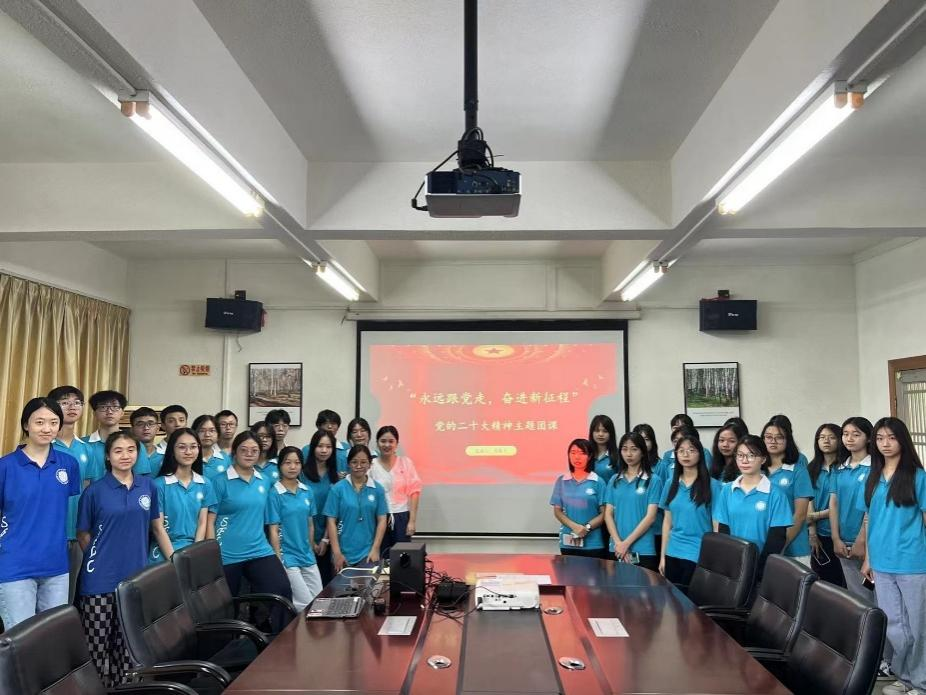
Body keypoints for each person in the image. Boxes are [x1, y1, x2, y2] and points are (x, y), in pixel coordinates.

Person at [76, 432, 172, 687]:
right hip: (99, 579)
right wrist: (100, 559)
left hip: (134, 578)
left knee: (128, 645)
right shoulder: (94, 491)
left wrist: (174, 560)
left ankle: (125, 689)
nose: (125, 455)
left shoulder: (148, 487)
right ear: (108, 456)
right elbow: (83, 534)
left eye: (131, 450)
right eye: (118, 450)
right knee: (97, 644)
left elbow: (156, 527)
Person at [0, 398, 80, 629]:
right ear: (26, 425)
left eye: (53, 422)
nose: (47, 428)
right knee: (20, 638)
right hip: (15, 565)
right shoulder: (5, 466)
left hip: (56, 565)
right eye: (39, 422)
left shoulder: (68, 464)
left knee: (54, 635)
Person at [859, 418, 926, 695]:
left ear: (902, 440)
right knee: (895, 626)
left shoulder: (917, 476)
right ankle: (906, 677)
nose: (885, 444)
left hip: (913, 562)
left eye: (892, 438)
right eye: (880, 438)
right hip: (882, 562)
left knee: (918, 627)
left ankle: (921, 683)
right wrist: (868, 558)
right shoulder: (873, 476)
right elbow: (870, 519)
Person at [208, 431, 292, 633]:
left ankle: (284, 640)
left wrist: (277, 554)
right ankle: (227, 648)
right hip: (226, 554)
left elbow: (271, 520)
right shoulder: (219, 481)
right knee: (224, 608)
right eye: (244, 450)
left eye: (254, 450)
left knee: (281, 590)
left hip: (259, 550)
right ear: (234, 452)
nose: (249, 454)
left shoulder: (264, 481)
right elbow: (210, 521)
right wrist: (212, 555)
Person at [714, 435, 792, 579]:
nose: (744, 460)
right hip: (733, 566)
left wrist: (758, 569)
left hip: (762, 567)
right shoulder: (727, 490)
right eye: (740, 455)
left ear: (763, 459)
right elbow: (724, 530)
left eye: (751, 455)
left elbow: (777, 538)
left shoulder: (776, 494)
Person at [659, 433, 721, 587]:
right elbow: (667, 522)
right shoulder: (670, 483)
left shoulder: (712, 485)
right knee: (672, 598)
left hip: (698, 553)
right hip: (672, 551)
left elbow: (717, 525)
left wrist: (714, 558)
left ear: (700, 454)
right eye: (681, 451)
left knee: (691, 599)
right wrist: (662, 556)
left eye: (691, 450)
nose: (686, 455)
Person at [268, 446, 323, 611]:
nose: (292, 467)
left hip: (306, 555)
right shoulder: (274, 493)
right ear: (280, 465)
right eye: (288, 463)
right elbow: (273, 530)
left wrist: (310, 548)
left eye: (297, 463)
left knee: (319, 600)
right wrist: (278, 559)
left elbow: (310, 524)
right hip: (287, 557)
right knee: (304, 604)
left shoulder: (307, 491)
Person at [150, 428, 215, 563]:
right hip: (164, 554)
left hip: (192, 553)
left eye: (193, 447)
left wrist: (195, 554)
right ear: (172, 450)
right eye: (182, 447)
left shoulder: (205, 484)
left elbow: (202, 523)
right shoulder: (159, 485)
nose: (188, 452)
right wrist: (174, 560)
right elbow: (157, 528)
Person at [323, 445, 388, 573]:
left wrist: (375, 549)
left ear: (370, 464)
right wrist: (337, 553)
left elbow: (382, 520)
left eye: (363, 462)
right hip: (343, 555)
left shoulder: (378, 489)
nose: (359, 466)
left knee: (368, 585)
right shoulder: (337, 489)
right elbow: (331, 521)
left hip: (368, 554)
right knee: (341, 586)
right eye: (354, 462)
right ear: (348, 464)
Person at [829, 416, 874, 601]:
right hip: (844, 540)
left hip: (868, 541)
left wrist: (861, 540)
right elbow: (833, 503)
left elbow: (870, 508)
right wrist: (835, 538)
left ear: (868, 438)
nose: (849, 438)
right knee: (856, 597)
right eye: (845, 434)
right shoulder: (838, 468)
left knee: (877, 596)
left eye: (856, 434)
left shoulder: (875, 467)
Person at [604, 432, 662, 571]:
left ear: (642, 452)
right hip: (616, 548)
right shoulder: (614, 480)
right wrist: (618, 542)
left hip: (643, 549)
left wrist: (626, 543)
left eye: (634, 449)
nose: (629, 454)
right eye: (624, 449)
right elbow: (608, 514)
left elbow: (651, 517)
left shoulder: (653, 480)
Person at [761, 417, 814, 565]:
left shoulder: (798, 470)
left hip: (794, 548)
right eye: (768, 437)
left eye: (779, 437)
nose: (773, 441)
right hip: (760, 544)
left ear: (787, 440)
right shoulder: (756, 470)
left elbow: (800, 515)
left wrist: (779, 545)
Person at [47, 385, 93, 540]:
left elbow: (87, 488)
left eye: (77, 402)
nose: (72, 407)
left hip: (79, 528)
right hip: (49, 527)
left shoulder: (86, 448)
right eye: (65, 402)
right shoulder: (43, 445)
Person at [370, 426, 422, 554]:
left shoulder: (406, 463)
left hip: (401, 516)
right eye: (383, 441)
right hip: (378, 517)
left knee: (402, 557)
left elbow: (414, 491)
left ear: (397, 444)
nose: (387, 445)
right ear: (377, 443)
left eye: (391, 441)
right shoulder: (371, 465)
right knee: (381, 556)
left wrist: (412, 521)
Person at [550, 438, 606, 557]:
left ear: (589, 456)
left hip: (593, 543)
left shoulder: (598, 481)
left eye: (582, 453)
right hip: (568, 541)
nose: (577, 457)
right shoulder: (562, 481)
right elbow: (557, 511)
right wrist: (574, 526)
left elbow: (604, 513)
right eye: (573, 453)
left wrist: (586, 528)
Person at [806, 423, 846, 586]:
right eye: (822, 437)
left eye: (831, 437)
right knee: (825, 581)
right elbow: (808, 500)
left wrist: (816, 515)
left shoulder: (844, 468)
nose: (826, 441)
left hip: (842, 533)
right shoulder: (811, 468)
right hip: (819, 534)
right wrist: (812, 533)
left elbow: (843, 504)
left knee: (848, 582)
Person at [301, 429, 340, 585]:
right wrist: (311, 540)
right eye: (320, 446)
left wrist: (325, 539)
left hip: (328, 536)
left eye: (328, 447)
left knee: (325, 583)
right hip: (303, 536)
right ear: (312, 447)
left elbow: (334, 512)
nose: (324, 450)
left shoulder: (335, 476)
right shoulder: (301, 474)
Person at [84, 390, 129, 481]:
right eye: (103, 407)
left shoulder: (134, 444)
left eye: (115, 407)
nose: (109, 411)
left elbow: (141, 480)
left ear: (122, 412)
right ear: (94, 413)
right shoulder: (83, 444)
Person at [150, 405, 189, 473]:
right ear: (163, 425)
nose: (177, 424)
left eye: (181, 420)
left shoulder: (191, 451)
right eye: (171, 421)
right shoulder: (154, 453)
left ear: (186, 424)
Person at [193, 414, 231, 479]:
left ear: (218, 434)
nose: (207, 435)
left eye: (212, 431)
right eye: (202, 431)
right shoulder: (188, 458)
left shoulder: (225, 459)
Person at [129, 407, 161, 476]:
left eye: (151, 424)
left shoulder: (165, 456)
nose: (146, 428)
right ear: (132, 429)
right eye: (140, 424)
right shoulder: (126, 456)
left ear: (157, 428)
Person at [588, 414, 619, 483]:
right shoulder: (587, 454)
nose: (600, 434)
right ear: (592, 433)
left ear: (611, 433)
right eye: (597, 431)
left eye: (605, 431)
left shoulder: (618, 455)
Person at [316, 409, 349, 473]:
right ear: (319, 426)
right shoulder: (307, 449)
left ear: (338, 427)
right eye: (325, 423)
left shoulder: (347, 448)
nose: (330, 426)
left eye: (333, 423)